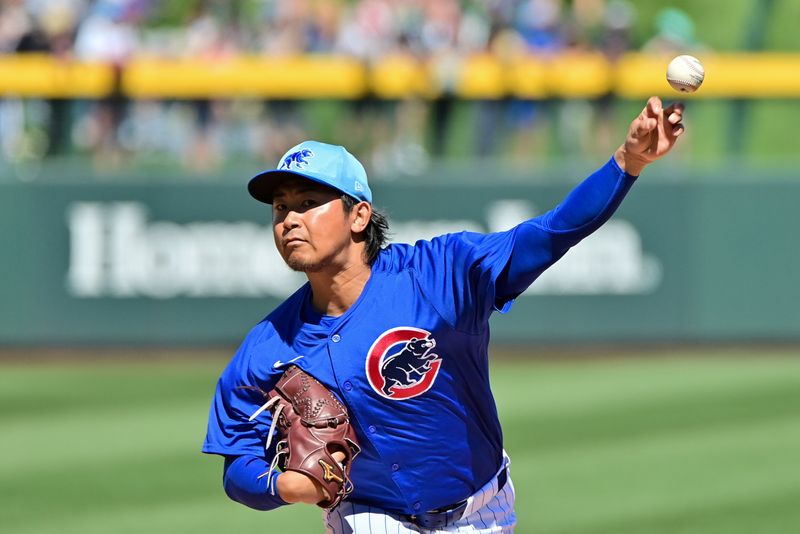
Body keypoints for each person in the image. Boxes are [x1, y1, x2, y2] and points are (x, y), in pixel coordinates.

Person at [203, 96, 685, 533]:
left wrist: (628, 162)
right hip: (369, 516)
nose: (289, 219)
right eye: (281, 207)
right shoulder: (268, 347)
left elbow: (550, 233)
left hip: (481, 513)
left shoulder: (438, 275)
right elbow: (237, 462)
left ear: (359, 216)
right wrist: (282, 486)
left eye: (309, 204)